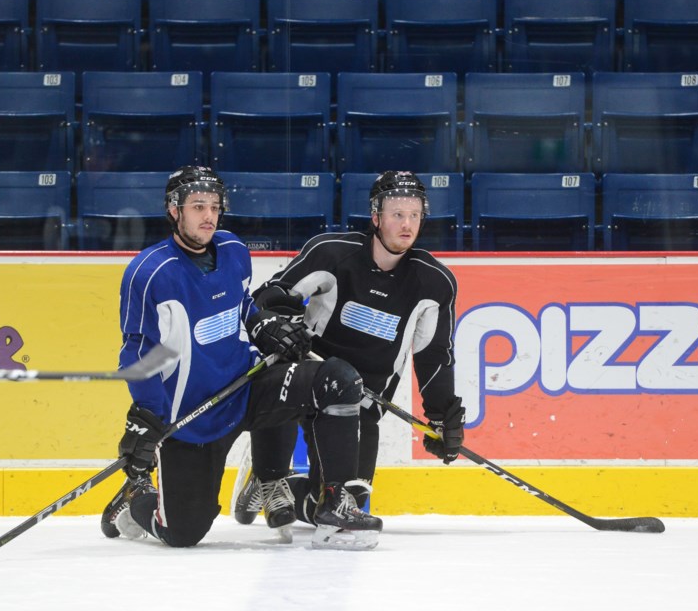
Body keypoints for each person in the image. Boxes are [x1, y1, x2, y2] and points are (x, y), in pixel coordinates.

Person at [99, 165, 382, 550]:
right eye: (198, 206)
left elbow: (242, 304)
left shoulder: (233, 250)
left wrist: (262, 323)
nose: (209, 216)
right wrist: (147, 416)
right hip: (193, 415)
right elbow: (137, 353)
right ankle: (135, 500)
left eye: (215, 206)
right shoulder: (150, 273)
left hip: (247, 385)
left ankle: (335, 503)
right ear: (173, 210)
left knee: (337, 381)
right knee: (182, 533)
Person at [233, 170, 465, 527]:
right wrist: (281, 324)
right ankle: (268, 474)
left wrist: (440, 416)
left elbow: (434, 356)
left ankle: (284, 488)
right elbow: (271, 297)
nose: (407, 224)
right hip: (309, 382)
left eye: (414, 214)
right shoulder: (333, 252)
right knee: (274, 366)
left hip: (362, 403)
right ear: (376, 216)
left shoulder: (434, 282)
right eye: (396, 214)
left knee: (342, 506)